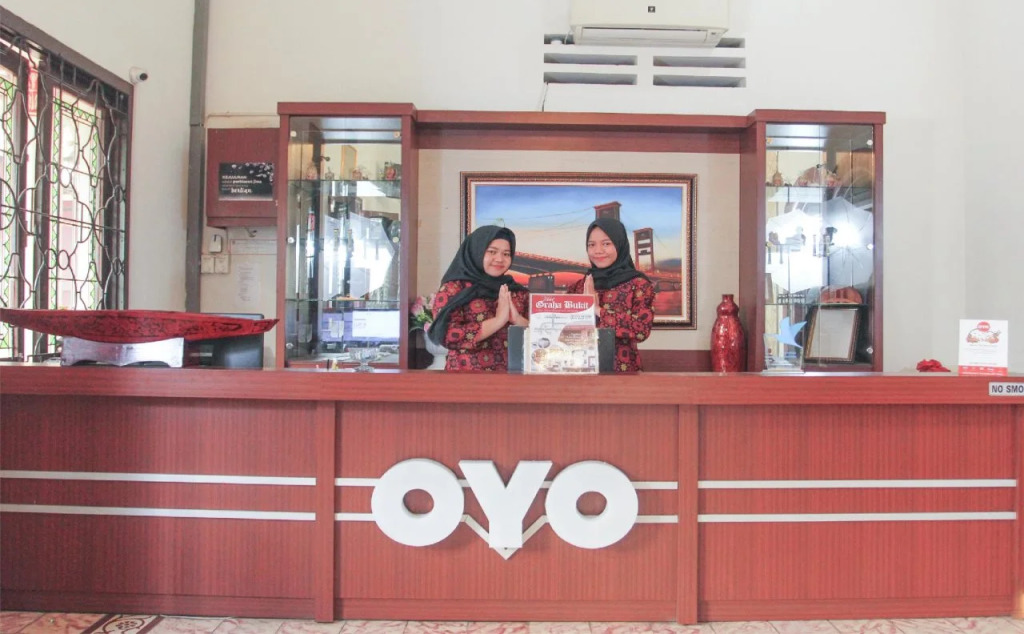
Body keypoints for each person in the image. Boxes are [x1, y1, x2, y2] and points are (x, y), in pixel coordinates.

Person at [428, 225, 529, 371]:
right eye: (492, 251)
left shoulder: (516, 291)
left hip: (514, 377)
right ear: (476, 251)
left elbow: (541, 333)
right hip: (466, 379)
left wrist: (518, 320)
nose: (499, 259)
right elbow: (447, 335)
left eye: (506, 254)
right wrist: (498, 321)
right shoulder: (454, 289)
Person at [566, 217, 655, 372]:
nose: (598, 250)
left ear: (619, 245)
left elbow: (641, 330)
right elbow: (561, 330)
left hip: (623, 373)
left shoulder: (639, 285)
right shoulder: (578, 287)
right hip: (578, 371)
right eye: (591, 245)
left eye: (606, 244)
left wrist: (597, 309)